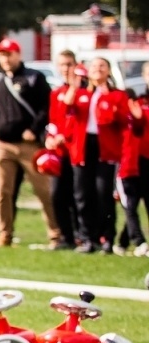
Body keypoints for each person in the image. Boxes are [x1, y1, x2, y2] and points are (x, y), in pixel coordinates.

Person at [0, 37, 63, 248]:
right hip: (2, 144)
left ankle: (56, 234)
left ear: (18, 55)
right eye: (2, 55)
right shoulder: (0, 84)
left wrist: (34, 129)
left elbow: (46, 107)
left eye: (9, 54)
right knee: (2, 192)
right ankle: (4, 233)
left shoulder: (34, 78)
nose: (5, 59)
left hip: (28, 145)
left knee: (43, 191)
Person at [62, 56, 128, 254]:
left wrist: (107, 97)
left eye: (102, 66)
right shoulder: (82, 94)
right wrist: (74, 86)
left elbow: (121, 120)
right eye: (94, 66)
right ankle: (87, 238)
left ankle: (106, 237)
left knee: (103, 193)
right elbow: (67, 108)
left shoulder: (116, 95)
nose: (97, 69)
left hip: (104, 148)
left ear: (108, 70)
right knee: (83, 194)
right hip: (83, 147)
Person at [45, 50, 82, 248]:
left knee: (78, 195)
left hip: (78, 150)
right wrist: (50, 138)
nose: (66, 69)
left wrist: (64, 135)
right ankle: (66, 237)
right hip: (60, 153)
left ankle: (82, 235)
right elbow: (53, 121)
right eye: (62, 65)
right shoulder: (56, 93)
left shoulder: (84, 91)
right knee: (57, 194)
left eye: (69, 64)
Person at [117, 90, 146, 255]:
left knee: (132, 205)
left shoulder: (137, 118)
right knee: (130, 205)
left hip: (137, 167)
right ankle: (137, 241)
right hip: (125, 169)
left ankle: (125, 241)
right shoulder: (120, 119)